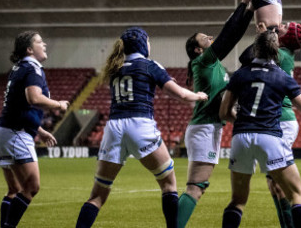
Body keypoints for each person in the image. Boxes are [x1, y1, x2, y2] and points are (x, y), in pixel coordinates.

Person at [75, 27, 208, 228]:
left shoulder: (115, 68)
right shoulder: (149, 65)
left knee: (97, 196)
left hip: (113, 128)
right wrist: (198, 96)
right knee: (168, 184)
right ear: (142, 43)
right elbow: (179, 94)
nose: (150, 45)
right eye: (148, 41)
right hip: (140, 125)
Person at [219, 29, 301, 228]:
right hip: (269, 137)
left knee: (237, 201)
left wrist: (244, 122)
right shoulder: (282, 76)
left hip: (241, 138)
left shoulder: (240, 74)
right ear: (276, 51)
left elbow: (224, 113)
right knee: (297, 196)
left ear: (255, 49)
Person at [176, 0, 255, 228]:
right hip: (204, 128)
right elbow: (228, 35)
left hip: (209, 128)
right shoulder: (203, 62)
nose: (211, 38)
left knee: (198, 186)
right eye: (205, 39)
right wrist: (245, 5)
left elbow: (231, 33)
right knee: (195, 187)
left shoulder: (213, 64)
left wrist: (248, 11)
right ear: (198, 50)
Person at [0, 30, 70, 228]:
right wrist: (59, 104)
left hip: (3, 130)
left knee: (14, 189)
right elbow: (33, 98)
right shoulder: (33, 69)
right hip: (14, 133)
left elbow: (18, 106)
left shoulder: (18, 68)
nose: (44, 45)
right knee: (32, 188)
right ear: (29, 49)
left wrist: (40, 131)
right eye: (39, 42)